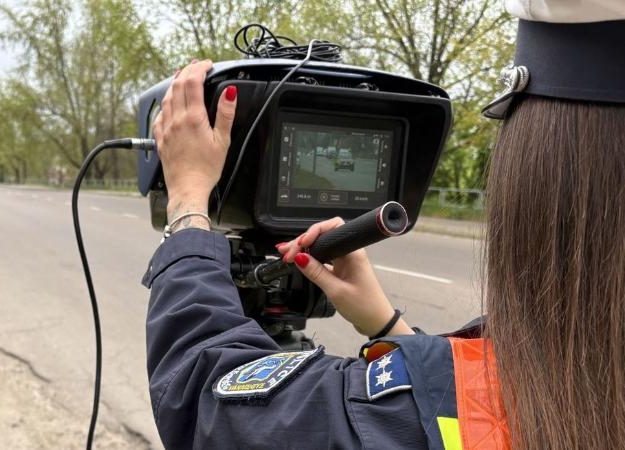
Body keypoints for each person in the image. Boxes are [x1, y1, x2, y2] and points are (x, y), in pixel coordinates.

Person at [143, 2, 625, 448]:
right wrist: (390, 327)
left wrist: (187, 201)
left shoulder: (533, 381)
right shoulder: (579, 385)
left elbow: (207, 397)